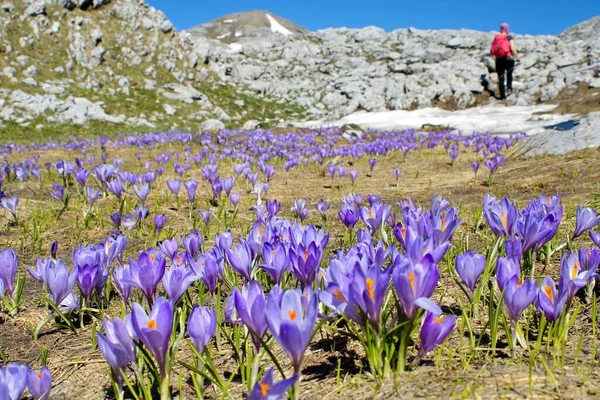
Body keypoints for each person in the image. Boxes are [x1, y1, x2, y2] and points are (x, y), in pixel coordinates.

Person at [490, 23, 519, 100]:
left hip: (499, 60)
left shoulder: (496, 38)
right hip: (509, 59)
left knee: (501, 78)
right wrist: (517, 58)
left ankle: (502, 96)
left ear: (500, 29)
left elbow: (492, 51)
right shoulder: (509, 37)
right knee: (509, 75)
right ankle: (509, 89)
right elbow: (513, 48)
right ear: (507, 29)